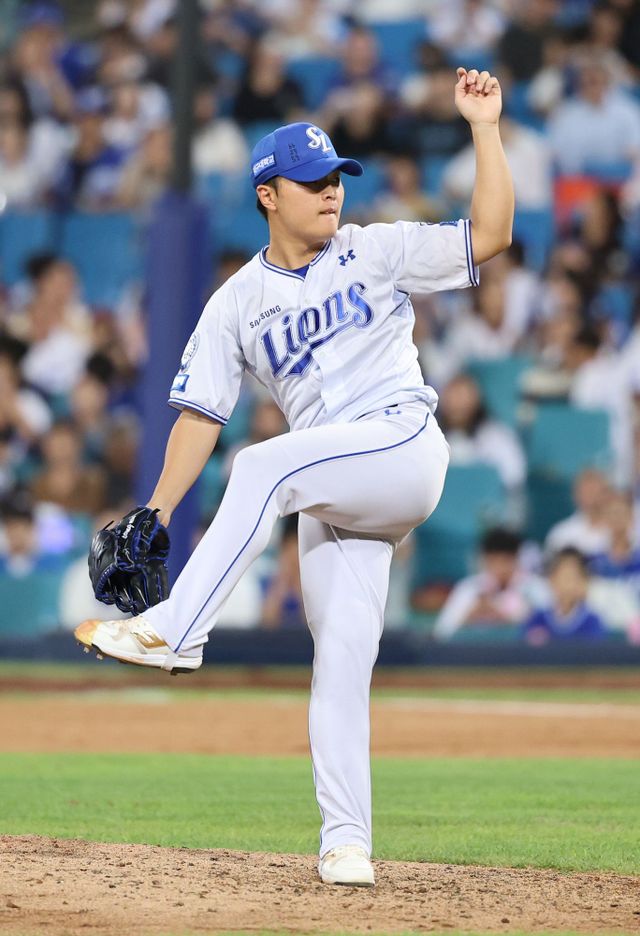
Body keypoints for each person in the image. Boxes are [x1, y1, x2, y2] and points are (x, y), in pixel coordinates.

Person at [75, 67, 514, 887]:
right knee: (340, 655)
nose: (331, 191)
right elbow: (199, 415)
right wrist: (157, 510)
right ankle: (346, 844)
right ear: (268, 195)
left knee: (262, 463)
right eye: (312, 182)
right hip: (331, 486)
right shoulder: (235, 302)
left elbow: (488, 235)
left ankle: (179, 631)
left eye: (336, 177)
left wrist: (485, 130)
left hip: (401, 444)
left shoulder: (374, 249)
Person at [522, 548, 607, 643]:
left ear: (584, 583)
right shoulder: (537, 618)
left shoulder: (592, 621)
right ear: (552, 580)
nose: (567, 586)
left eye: (573, 578)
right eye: (563, 577)